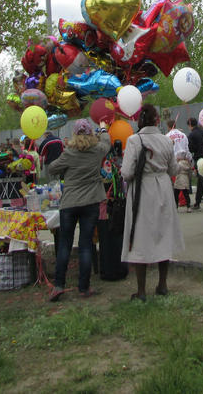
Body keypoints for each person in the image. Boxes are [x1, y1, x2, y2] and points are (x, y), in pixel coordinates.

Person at [121, 104, 185, 300]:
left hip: (142, 190)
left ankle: (141, 290)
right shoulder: (166, 140)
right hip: (163, 188)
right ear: (157, 120)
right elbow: (173, 169)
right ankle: (162, 284)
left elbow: (127, 172)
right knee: (163, 234)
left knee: (139, 236)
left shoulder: (134, 140)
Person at [46, 118, 110, 301]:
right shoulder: (97, 150)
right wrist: (103, 129)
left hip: (69, 203)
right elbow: (107, 143)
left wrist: (65, 169)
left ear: (74, 133)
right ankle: (84, 287)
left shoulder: (69, 153)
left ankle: (59, 285)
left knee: (64, 245)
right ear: (90, 133)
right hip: (91, 202)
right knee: (86, 245)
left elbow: (52, 168)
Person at [187, 117, 203, 210]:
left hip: (198, 158)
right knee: (201, 180)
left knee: (202, 180)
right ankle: (197, 201)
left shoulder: (192, 135)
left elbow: (191, 148)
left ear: (189, 124)